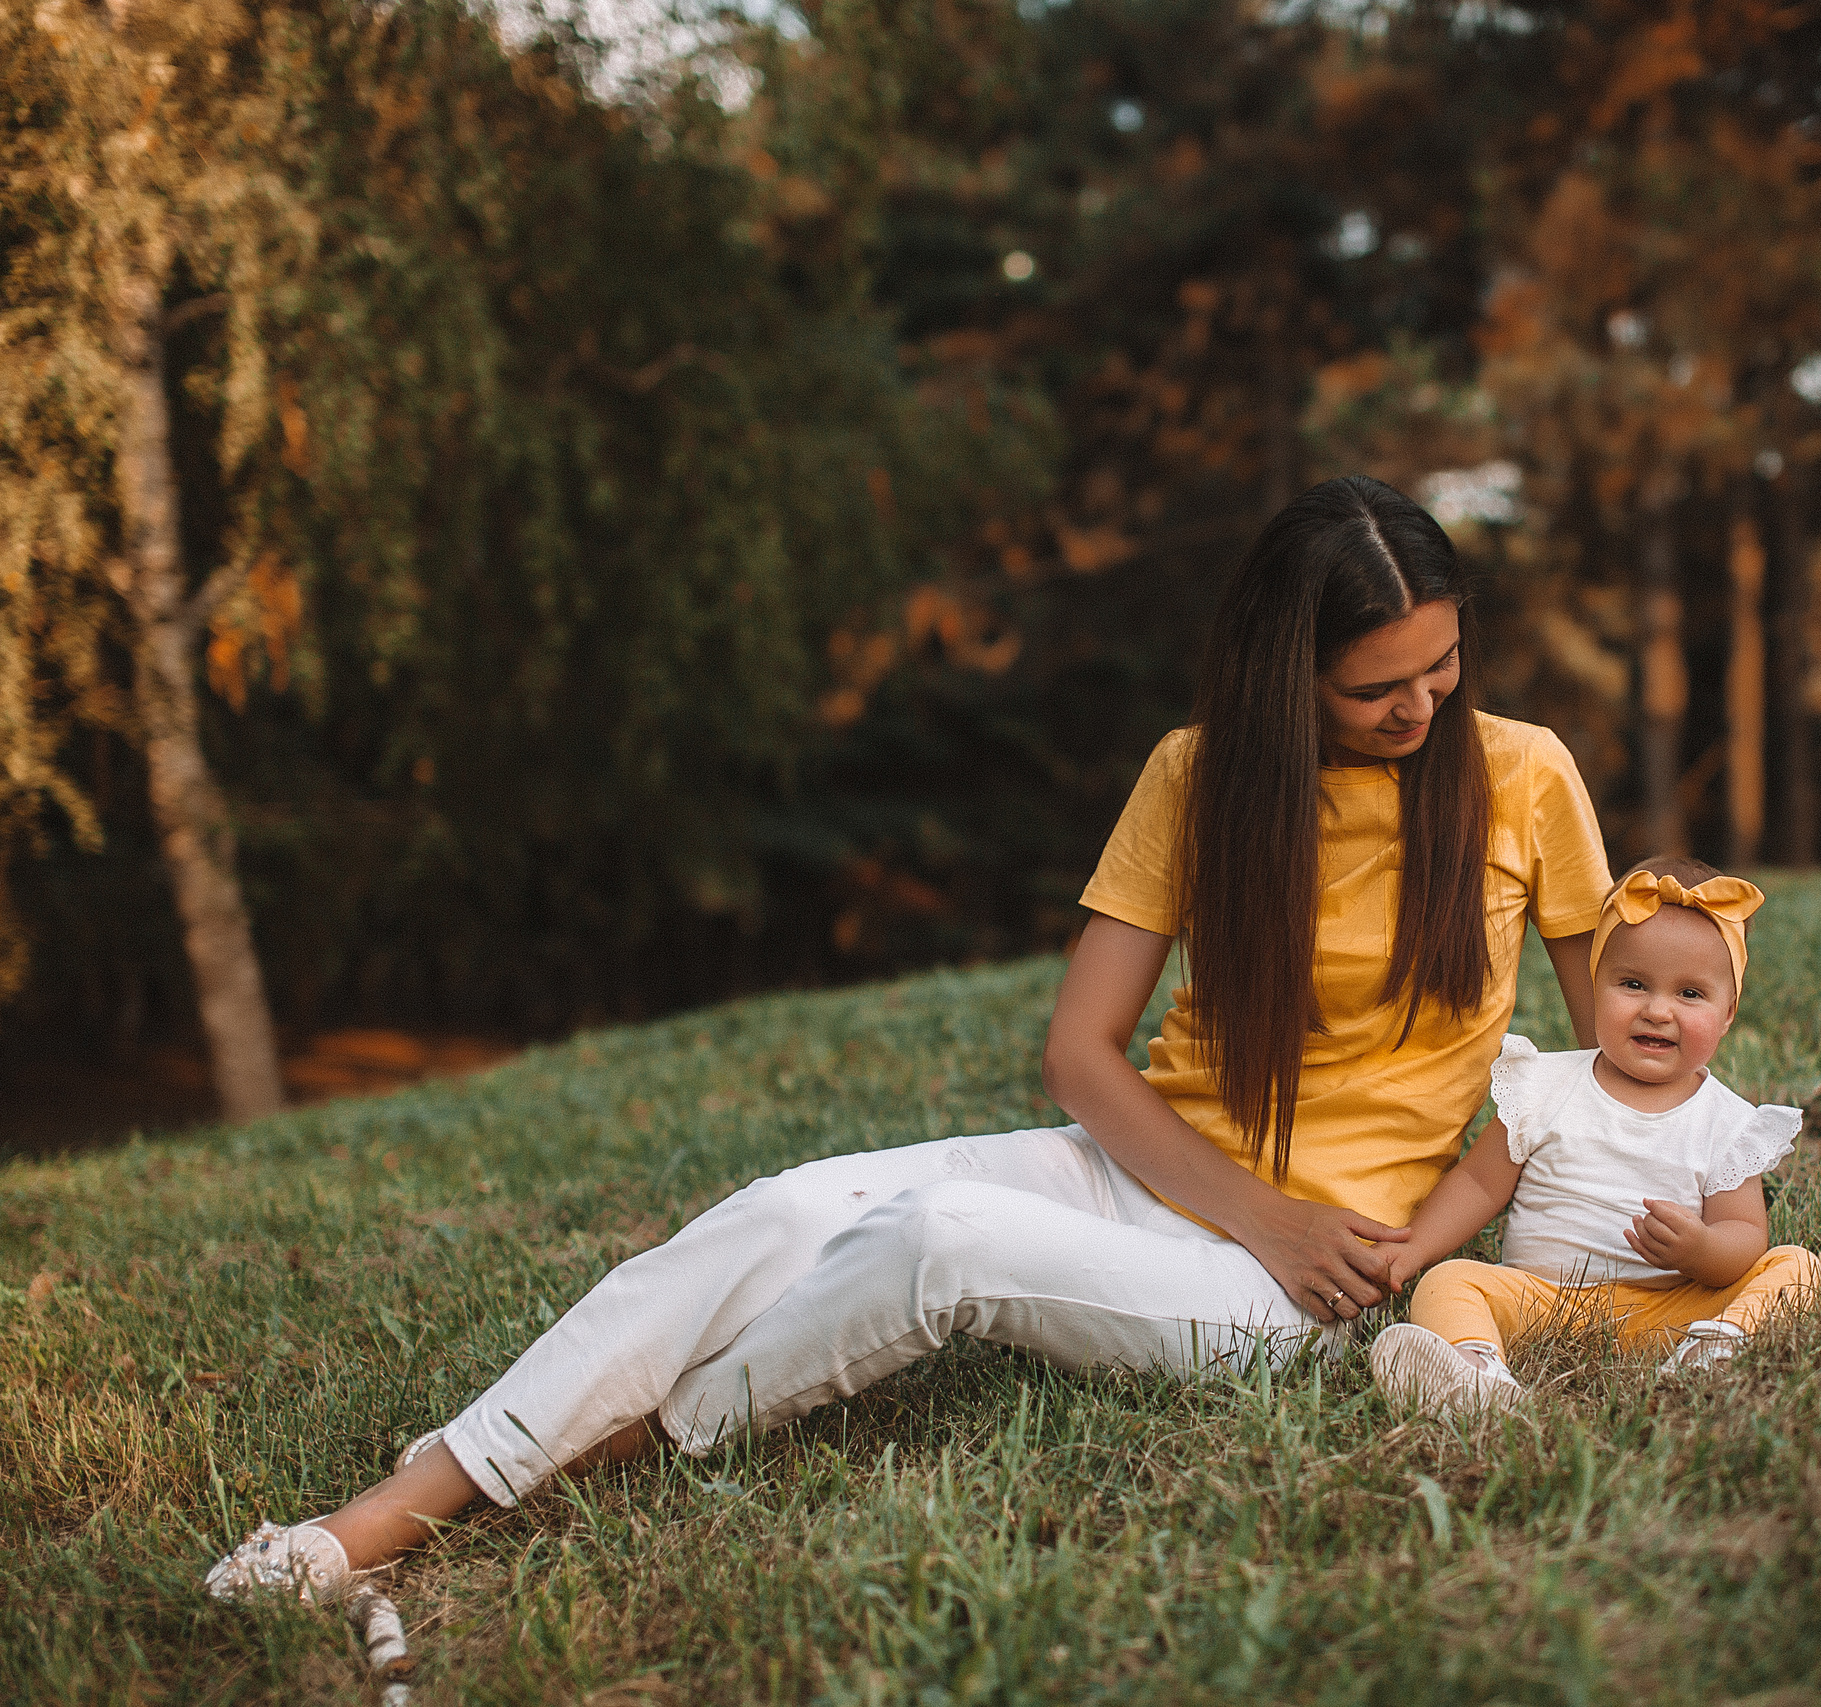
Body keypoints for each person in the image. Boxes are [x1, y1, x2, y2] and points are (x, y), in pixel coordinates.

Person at [205, 474, 1613, 1604]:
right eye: (1381, 686)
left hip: (1311, 1286)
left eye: (1441, 666)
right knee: (787, 1206)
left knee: (939, 1239)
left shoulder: (1526, 773)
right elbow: (1082, 1052)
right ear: (1285, 674)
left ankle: (612, 1448)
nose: (1423, 707)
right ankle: (392, 1508)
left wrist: (1405, 1240)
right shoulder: (1197, 776)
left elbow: (1614, 1052)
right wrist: (1260, 1209)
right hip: (1153, 1176)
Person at [1368, 856, 1821, 1418]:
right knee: (1449, 1281)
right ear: (1595, 984)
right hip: (1543, 1301)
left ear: (1728, 1012)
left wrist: (1702, 1250)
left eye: (1690, 994)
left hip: (1669, 1307)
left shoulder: (1727, 1122)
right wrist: (1413, 1247)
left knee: (1795, 1267)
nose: (1657, 1010)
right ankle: (1477, 1376)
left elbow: (1743, 1233)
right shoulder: (1546, 1085)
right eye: (1633, 984)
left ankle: (1712, 1351)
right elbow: (1479, 1184)